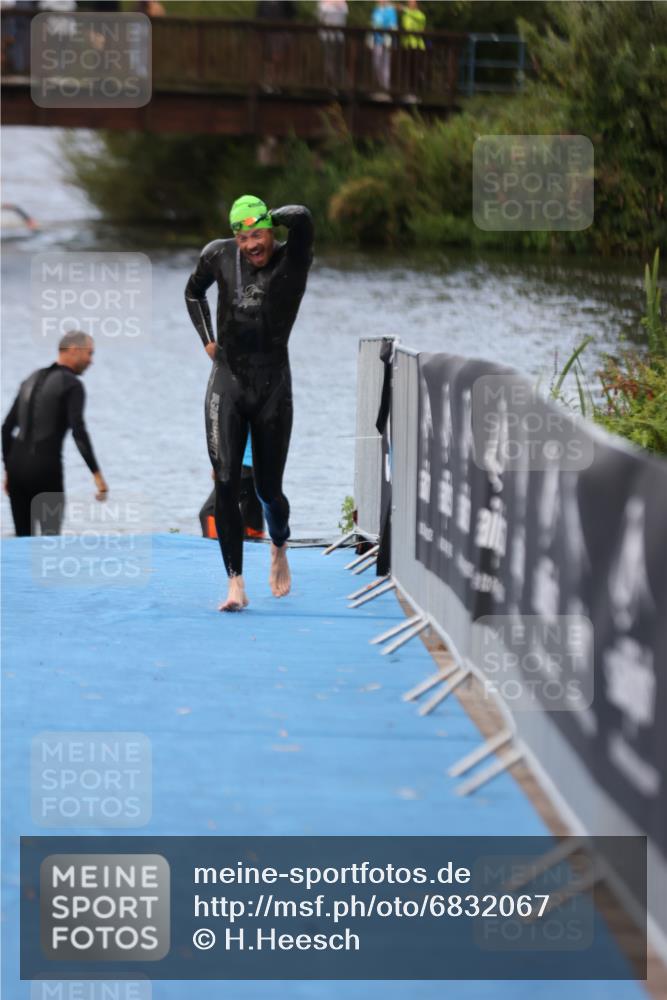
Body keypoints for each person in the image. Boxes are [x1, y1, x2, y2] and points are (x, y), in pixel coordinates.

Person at [185, 194, 313, 612]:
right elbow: (193, 293)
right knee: (224, 480)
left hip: (273, 384)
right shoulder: (218, 255)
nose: (250, 245)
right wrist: (207, 339)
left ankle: (278, 544)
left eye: (256, 234)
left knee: (268, 489)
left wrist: (267, 215)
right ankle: (235, 583)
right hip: (228, 380)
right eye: (242, 238)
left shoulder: (294, 259)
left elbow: (304, 218)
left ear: (271, 231)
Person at [2, 330, 108, 536]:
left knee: (23, 541)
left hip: (16, 470)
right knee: (50, 542)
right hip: (46, 470)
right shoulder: (72, 385)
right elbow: (79, 431)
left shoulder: (30, 379)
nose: (91, 361)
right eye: (90, 353)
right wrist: (97, 475)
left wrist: (8, 470)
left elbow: (6, 428)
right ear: (74, 350)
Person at [199, 434, 264, 541]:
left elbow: (229, 430)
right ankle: (255, 550)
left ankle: (214, 550)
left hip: (240, 466)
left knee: (209, 513)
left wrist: (219, 463)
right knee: (251, 520)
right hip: (260, 467)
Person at [318, 0, 348, 91]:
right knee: (330, 60)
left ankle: (336, 85)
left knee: (335, 61)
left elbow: (343, 19)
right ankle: (332, 85)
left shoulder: (342, 4)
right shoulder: (323, 4)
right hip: (327, 36)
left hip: (337, 37)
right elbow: (321, 17)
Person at [399, 0, 425, 101]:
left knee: (416, 69)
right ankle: (407, 92)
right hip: (406, 44)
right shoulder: (406, 15)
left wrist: (404, 9)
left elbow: (418, 19)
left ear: (417, 4)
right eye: (409, 2)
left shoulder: (420, 15)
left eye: (412, 2)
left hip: (416, 45)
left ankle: (416, 93)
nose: (410, 4)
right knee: (407, 69)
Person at [370, 0, 398, 97]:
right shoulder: (376, 10)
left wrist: (390, 37)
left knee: (385, 65)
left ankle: (385, 88)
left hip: (386, 41)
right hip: (376, 41)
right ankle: (379, 85)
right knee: (376, 63)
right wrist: (370, 38)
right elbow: (373, 25)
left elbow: (393, 26)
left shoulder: (390, 10)